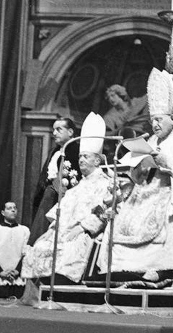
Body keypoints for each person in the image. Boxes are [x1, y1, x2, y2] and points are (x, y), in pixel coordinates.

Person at [97, 68, 173, 282]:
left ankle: (160, 267)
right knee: (122, 216)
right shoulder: (150, 140)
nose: (155, 124)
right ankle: (121, 267)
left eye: (159, 119)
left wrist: (165, 160)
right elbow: (136, 174)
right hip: (144, 191)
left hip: (170, 190)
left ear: (172, 117)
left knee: (158, 214)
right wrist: (137, 167)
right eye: (152, 120)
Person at [22, 112, 112, 284]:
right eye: (80, 157)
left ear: (97, 161)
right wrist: (52, 229)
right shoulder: (76, 188)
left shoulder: (105, 184)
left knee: (70, 250)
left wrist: (82, 228)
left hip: (84, 233)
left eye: (86, 156)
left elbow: (104, 211)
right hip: (63, 232)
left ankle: (62, 287)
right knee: (40, 246)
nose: (81, 160)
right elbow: (62, 211)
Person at [29, 117, 80, 245]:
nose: (54, 133)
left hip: (63, 200)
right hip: (49, 197)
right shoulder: (55, 151)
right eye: (53, 130)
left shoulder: (76, 151)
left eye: (59, 129)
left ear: (70, 132)